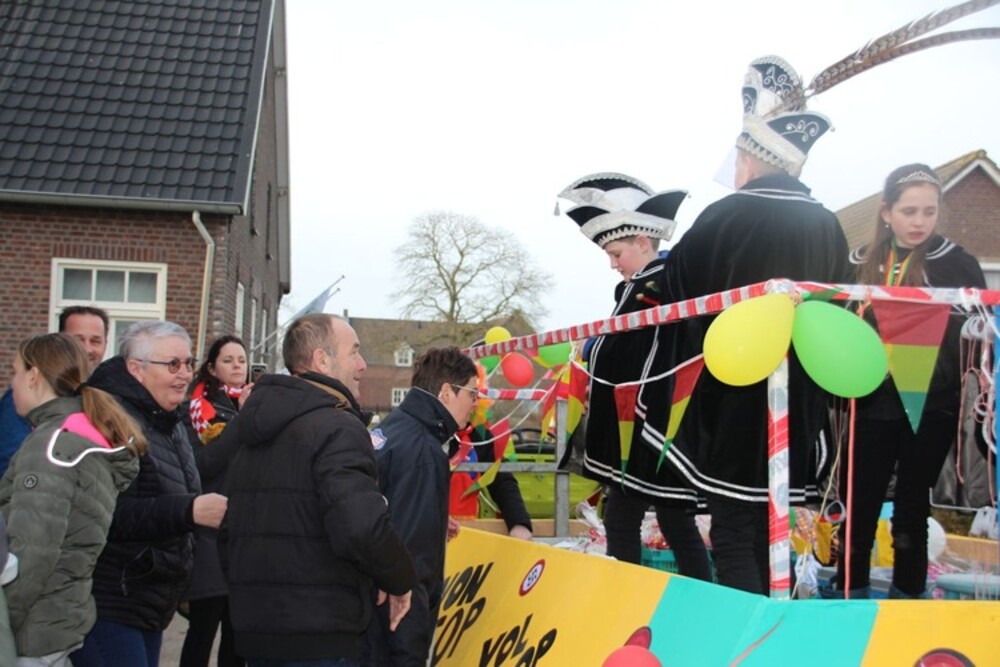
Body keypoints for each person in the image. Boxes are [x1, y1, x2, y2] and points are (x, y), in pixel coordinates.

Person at [652, 56, 851, 594]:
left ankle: (751, 629)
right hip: (802, 396)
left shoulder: (725, 215)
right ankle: (774, 616)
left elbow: (676, 291)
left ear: (750, 158)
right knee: (772, 525)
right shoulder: (828, 224)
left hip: (733, 393)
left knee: (735, 527)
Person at [221, 313, 415, 667]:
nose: (362, 364)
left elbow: (229, 526)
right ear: (322, 360)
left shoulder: (251, 429)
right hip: (321, 633)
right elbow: (360, 526)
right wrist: (400, 578)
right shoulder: (337, 427)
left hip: (257, 634)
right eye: (354, 351)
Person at [831, 164, 987, 599]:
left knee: (912, 510)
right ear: (886, 212)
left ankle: (906, 602)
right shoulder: (858, 262)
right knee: (859, 504)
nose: (920, 222)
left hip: (933, 401)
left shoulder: (956, 262)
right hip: (870, 400)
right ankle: (849, 598)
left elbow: (977, 332)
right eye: (909, 211)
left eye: (929, 212)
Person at [556, 173, 712, 580]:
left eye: (616, 253)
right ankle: (693, 592)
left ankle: (625, 595)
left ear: (643, 242)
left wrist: (593, 348)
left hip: (645, 425)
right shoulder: (647, 284)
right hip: (646, 424)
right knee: (670, 520)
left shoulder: (657, 285)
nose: (613, 263)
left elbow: (633, 350)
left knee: (627, 520)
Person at [71, 321, 229, 667]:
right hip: (111, 601)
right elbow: (105, 514)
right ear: (136, 369)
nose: (184, 374)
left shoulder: (169, 421)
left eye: (188, 363)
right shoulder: (111, 422)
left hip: (149, 601)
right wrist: (189, 511)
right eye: (172, 364)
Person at [0, 333, 144, 666]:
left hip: (34, 631)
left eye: (15, 372)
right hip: (60, 618)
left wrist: (7, 623)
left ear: (34, 376)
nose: (12, 383)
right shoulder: (78, 433)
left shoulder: (51, 445)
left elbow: (34, 552)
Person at [363, 347, 480, 666]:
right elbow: (412, 554)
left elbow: (390, 511)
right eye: (472, 393)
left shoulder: (394, 428)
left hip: (370, 602)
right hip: (397, 616)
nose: (475, 402)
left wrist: (435, 519)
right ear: (446, 392)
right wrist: (410, 642)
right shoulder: (424, 452)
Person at [180, 335, 252, 667]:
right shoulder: (195, 411)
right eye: (228, 360)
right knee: (203, 629)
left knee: (237, 637)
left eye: (242, 360)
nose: (237, 366)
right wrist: (241, 422)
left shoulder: (252, 406)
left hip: (242, 536)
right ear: (211, 368)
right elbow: (203, 465)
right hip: (209, 536)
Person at [0, 305, 110, 476]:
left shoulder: (108, 396)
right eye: (78, 340)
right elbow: (11, 461)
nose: (87, 349)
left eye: (95, 341)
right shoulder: (26, 396)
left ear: (106, 344)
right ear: (61, 342)